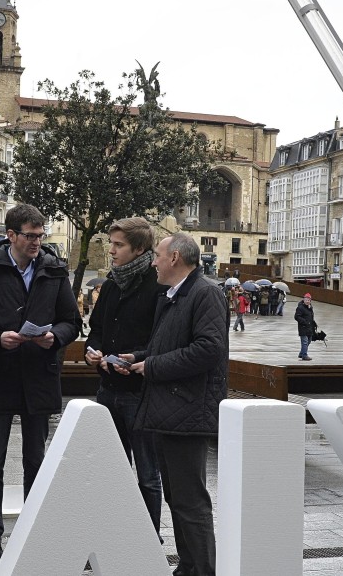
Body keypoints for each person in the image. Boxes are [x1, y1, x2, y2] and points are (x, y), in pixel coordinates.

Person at [0, 204, 80, 569]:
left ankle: (34, 533)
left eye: (40, 236)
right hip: (0, 374)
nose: (36, 242)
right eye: (30, 236)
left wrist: (54, 337)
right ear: (10, 235)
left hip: (40, 376)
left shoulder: (54, 271)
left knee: (36, 460)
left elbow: (71, 322)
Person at [119, 233, 228, 576]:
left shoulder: (205, 293)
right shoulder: (173, 295)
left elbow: (208, 349)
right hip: (170, 411)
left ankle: (202, 570)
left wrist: (151, 366)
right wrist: (137, 357)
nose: (153, 262)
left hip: (189, 412)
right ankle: (188, 567)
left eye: (157, 255)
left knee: (190, 502)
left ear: (175, 258)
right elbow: (167, 346)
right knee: (177, 500)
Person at [83, 217, 165, 536]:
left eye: (119, 245)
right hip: (108, 388)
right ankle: (114, 535)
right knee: (112, 470)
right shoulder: (112, 283)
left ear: (139, 249)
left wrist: (136, 359)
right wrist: (92, 351)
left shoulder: (158, 284)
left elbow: (161, 339)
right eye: (111, 244)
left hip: (140, 392)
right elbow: (97, 330)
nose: (111, 251)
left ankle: (150, 538)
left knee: (147, 473)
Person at [294, 293, 317, 361]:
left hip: (309, 328)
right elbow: (296, 317)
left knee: (309, 341)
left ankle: (301, 353)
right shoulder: (300, 307)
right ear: (303, 300)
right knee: (305, 342)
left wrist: (313, 324)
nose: (307, 301)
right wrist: (305, 322)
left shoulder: (310, 308)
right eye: (306, 300)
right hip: (303, 328)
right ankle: (304, 355)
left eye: (309, 300)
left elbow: (311, 317)